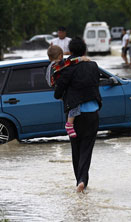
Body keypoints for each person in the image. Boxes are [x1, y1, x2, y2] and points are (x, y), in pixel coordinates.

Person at [54, 37, 102, 192]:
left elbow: (58, 92)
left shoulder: (67, 68)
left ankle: (79, 182)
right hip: (92, 114)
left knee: (76, 149)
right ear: (85, 51)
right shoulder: (93, 66)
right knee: (86, 149)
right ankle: (82, 181)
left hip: (75, 117)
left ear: (71, 51)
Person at [46, 45, 89, 137]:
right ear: (61, 56)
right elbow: (70, 62)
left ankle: (70, 122)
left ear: (49, 57)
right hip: (61, 88)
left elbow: (49, 81)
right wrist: (82, 59)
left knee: (71, 105)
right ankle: (69, 124)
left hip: (57, 89)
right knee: (74, 103)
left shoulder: (49, 67)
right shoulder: (57, 65)